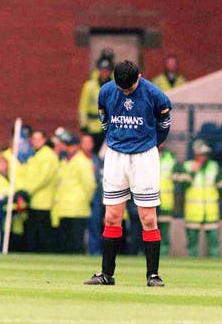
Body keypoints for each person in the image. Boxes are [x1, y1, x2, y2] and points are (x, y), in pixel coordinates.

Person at [84, 60, 171, 287]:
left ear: (139, 77)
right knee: (112, 216)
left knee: (148, 217)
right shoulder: (106, 91)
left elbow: (164, 123)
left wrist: (152, 144)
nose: (126, 93)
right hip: (115, 155)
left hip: (144, 157)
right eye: (122, 89)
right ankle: (106, 273)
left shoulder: (155, 94)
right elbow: (103, 120)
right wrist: (116, 138)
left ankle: (153, 274)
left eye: (130, 89)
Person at [180, 139, 222, 257]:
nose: (203, 156)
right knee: (192, 245)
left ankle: (216, 269)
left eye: (205, 154)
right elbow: (183, 186)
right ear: (195, 153)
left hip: (211, 213)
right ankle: (192, 269)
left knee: (214, 244)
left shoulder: (214, 166)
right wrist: (193, 172)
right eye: (201, 154)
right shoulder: (187, 166)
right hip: (193, 213)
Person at [51, 130, 96, 253]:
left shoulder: (82, 161)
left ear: (77, 146)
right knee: (66, 243)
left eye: (70, 145)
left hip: (78, 208)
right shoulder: (65, 161)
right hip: (64, 208)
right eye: (67, 145)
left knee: (77, 243)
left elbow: (89, 185)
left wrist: (84, 199)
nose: (68, 148)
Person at [19, 130, 59, 252]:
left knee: (41, 235)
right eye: (33, 139)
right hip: (34, 201)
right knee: (34, 234)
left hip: (43, 202)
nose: (35, 142)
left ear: (44, 140)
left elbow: (43, 177)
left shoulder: (47, 155)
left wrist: (27, 191)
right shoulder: (38, 155)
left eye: (38, 139)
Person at [78, 56, 113, 154]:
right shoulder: (90, 86)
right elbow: (83, 106)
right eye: (102, 70)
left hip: (109, 125)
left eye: (107, 70)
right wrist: (83, 124)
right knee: (91, 152)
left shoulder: (114, 86)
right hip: (92, 126)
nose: (104, 73)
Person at [157, 143, 177, 256]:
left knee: (164, 232)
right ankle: (145, 255)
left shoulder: (171, 157)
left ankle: (163, 256)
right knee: (147, 229)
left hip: (166, 201)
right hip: (148, 199)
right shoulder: (145, 155)